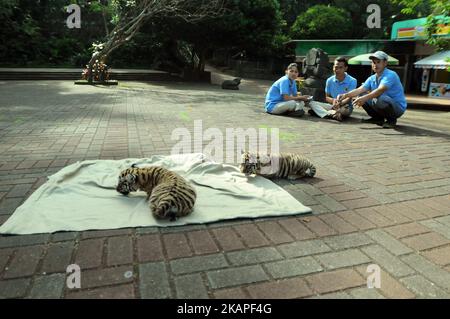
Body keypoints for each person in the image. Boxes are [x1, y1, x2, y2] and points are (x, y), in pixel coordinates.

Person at [337, 51, 407, 129]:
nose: (375, 65)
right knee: (361, 95)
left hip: (397, 108)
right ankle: (377, 119)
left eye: (378, 62)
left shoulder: (390, 75)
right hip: (382, 102)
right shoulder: (372, 78)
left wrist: (365, 98)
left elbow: (380, 90)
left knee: (380, 98)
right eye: (373, 62)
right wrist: (345, 95)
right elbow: (360, 90)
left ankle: (391, 120)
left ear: (385, 63)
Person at [307, 57, 357, 121]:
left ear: (345, 68)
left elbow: (349, 98)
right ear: (333, 67)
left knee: (343, 110)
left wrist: (340, 103)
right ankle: (331, 114)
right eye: (336, 67)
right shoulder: (329, 80)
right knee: (312, 103)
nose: (337, 70)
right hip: (332, 105)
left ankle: (324, 113)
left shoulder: (352, 81)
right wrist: (333, 101)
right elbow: (326, 97)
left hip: (345, 106)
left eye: (340, 68)